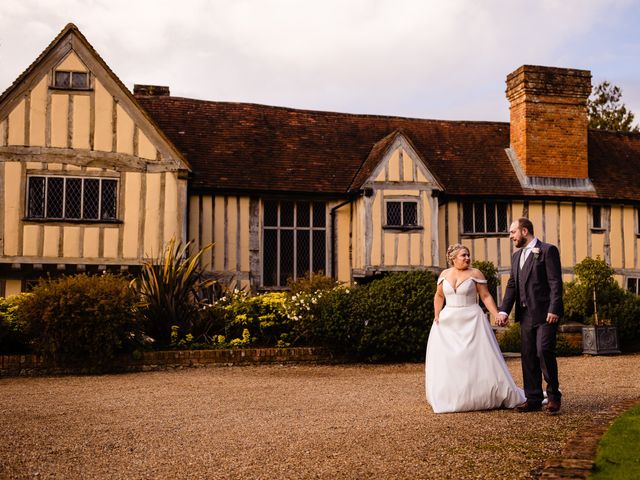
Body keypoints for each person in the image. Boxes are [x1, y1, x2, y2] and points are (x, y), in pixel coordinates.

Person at [425, 244, 525, 413]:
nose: (467, 258)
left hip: (472, 319)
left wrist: (497, 314)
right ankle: (453, 395)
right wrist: (437, 315)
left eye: (468, 255)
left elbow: (485, 296)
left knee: (474, 358)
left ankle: (481, 395)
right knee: (451, 360)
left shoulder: (475, 273)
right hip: (448, 320)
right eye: (463, 255)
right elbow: (439, 295)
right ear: (453, 258)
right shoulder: (444, 275)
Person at [497, 218, 563, 415]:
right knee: (527, 356)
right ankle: (533, 398)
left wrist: (554, 308)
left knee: (544, 351)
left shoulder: (547, 250)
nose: (510, 237)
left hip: (545, 314)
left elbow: (555, 283)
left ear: (524, 231)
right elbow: (512, 285)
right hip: (525, 315)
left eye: (513, 232)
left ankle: (553, 396)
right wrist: (503, 310)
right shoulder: (517, 256)